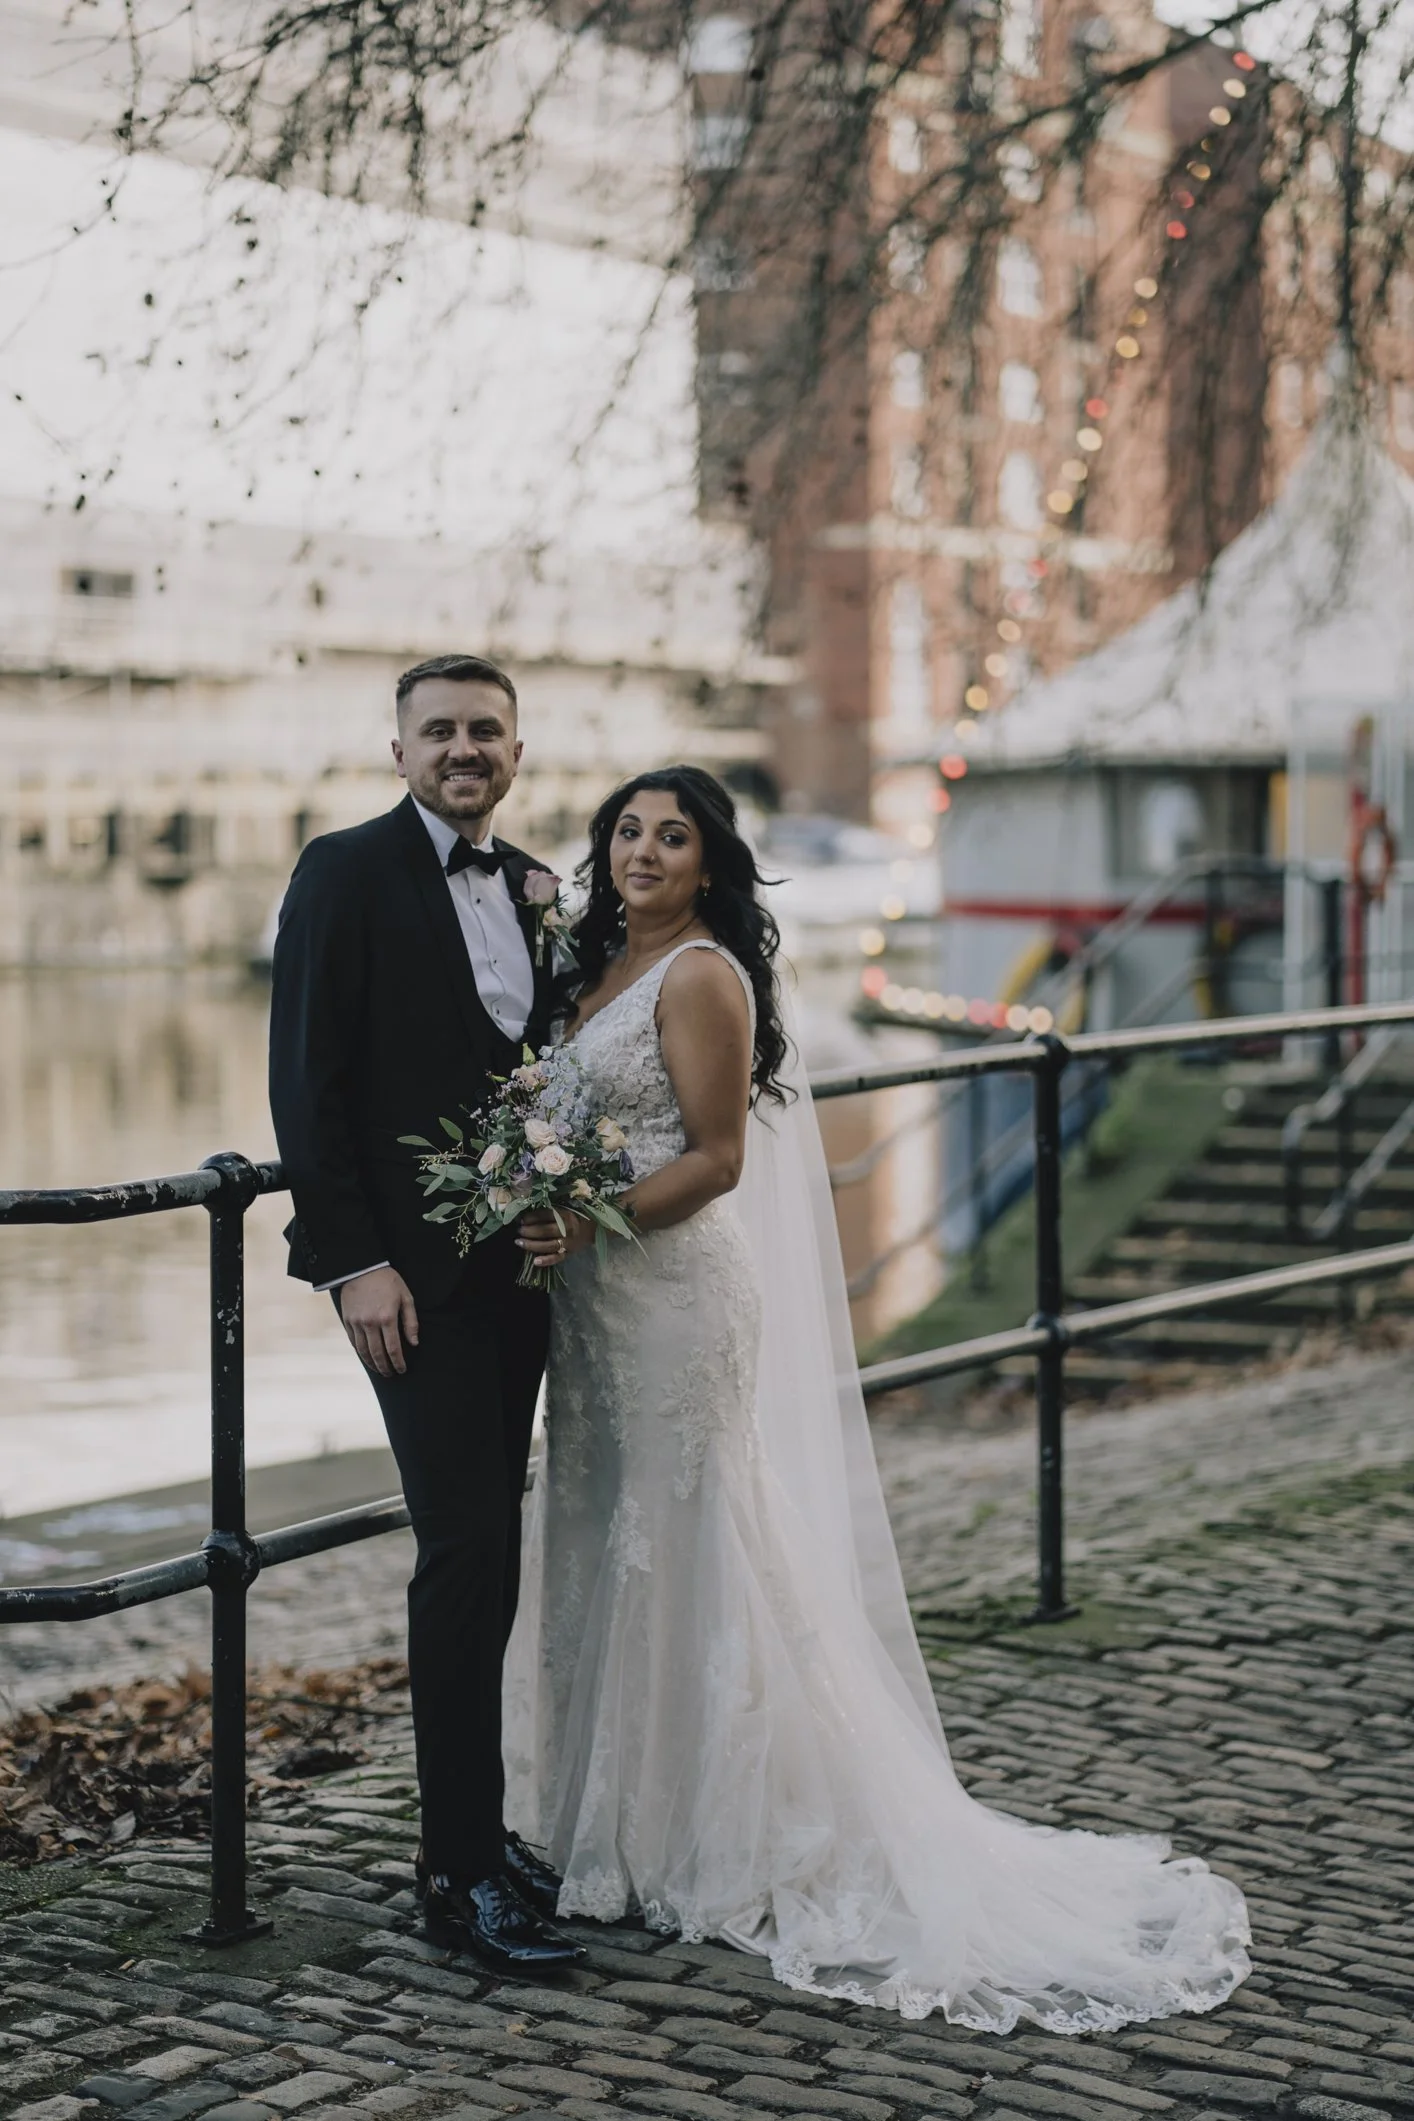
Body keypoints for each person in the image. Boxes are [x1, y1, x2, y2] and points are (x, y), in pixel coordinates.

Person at [505, 764, 1252, 2030]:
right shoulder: (590, 974)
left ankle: (705, 1831)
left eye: (671, 837)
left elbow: (718, 1158)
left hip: (671, 1298)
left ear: (708, 864)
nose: (643, 853)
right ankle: (602, 1819)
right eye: (626, 832)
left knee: (687, 1539)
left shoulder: (697, 973)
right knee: (598, 1532)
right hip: (593, 1319)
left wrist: (586, 1222)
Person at [268, 652, 583, 1973]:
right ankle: (455, 1872)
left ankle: (485, 1827)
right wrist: (351, 1261)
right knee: (462, 1557)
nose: (464, 748)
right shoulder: (341, 872)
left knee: (496, 1554)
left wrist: (558, 1193)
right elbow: (307, 1078)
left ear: (516, 753)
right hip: (409, 1290)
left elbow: (541, 1078)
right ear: (397, 749)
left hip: (522, 1278)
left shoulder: (534, 888)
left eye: (486, 732)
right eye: (439, 730)